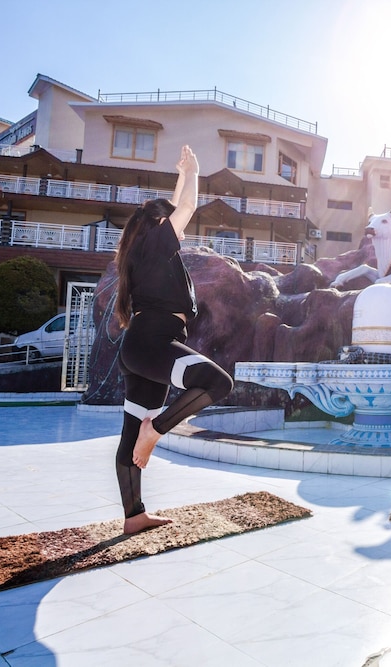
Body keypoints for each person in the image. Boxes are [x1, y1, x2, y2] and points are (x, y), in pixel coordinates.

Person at [112, 145, 234, 535]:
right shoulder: (153, 244)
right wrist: (195, 171)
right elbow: (188, 207)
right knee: (217, 382)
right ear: (160, 224)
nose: (179, 230)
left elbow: (177, 206)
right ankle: (156, 431)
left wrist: (181, 174)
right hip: (153, 342)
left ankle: (134, 516)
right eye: (171, 222)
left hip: (140, 347)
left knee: (130, 433)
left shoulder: (145, 250)